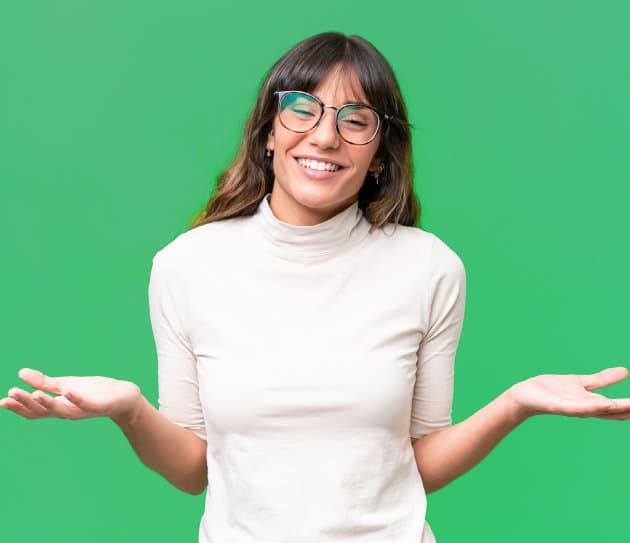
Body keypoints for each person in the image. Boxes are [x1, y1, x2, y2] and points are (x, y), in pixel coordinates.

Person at [1, 32, 629, 543]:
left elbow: (418, 464)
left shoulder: (429, 268)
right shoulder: (187, 265)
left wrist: (515, 403)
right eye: (302, 109)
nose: (325, 136)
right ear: (269, 132)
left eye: (356, 120)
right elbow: (195, 469)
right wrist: (130, 410)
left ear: (380, 154)